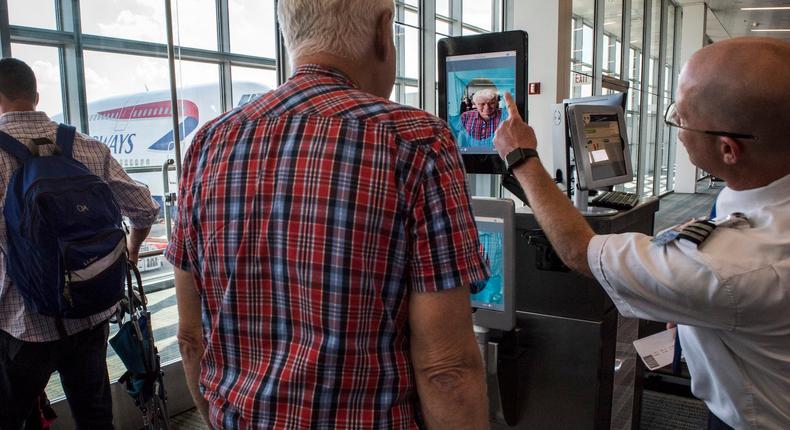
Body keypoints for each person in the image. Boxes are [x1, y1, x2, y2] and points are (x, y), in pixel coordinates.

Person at [167, 0, 489, 428]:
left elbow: (191, 339)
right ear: (383, 31)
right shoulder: (417, 142)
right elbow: (445, 368)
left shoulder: (209, 143)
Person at [493, 37, 790, 430]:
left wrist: (521, 157)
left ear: (728, 150)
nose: (677, 128)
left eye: (680, 117)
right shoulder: (760, 187)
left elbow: (580, 250)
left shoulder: (728, 266)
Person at [0, 58, 160, 429]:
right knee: (95, 414)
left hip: (21, 321)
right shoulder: (87, 147)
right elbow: (145, 210)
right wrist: (130, 253)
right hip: (89, 312)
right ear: (36, 95)